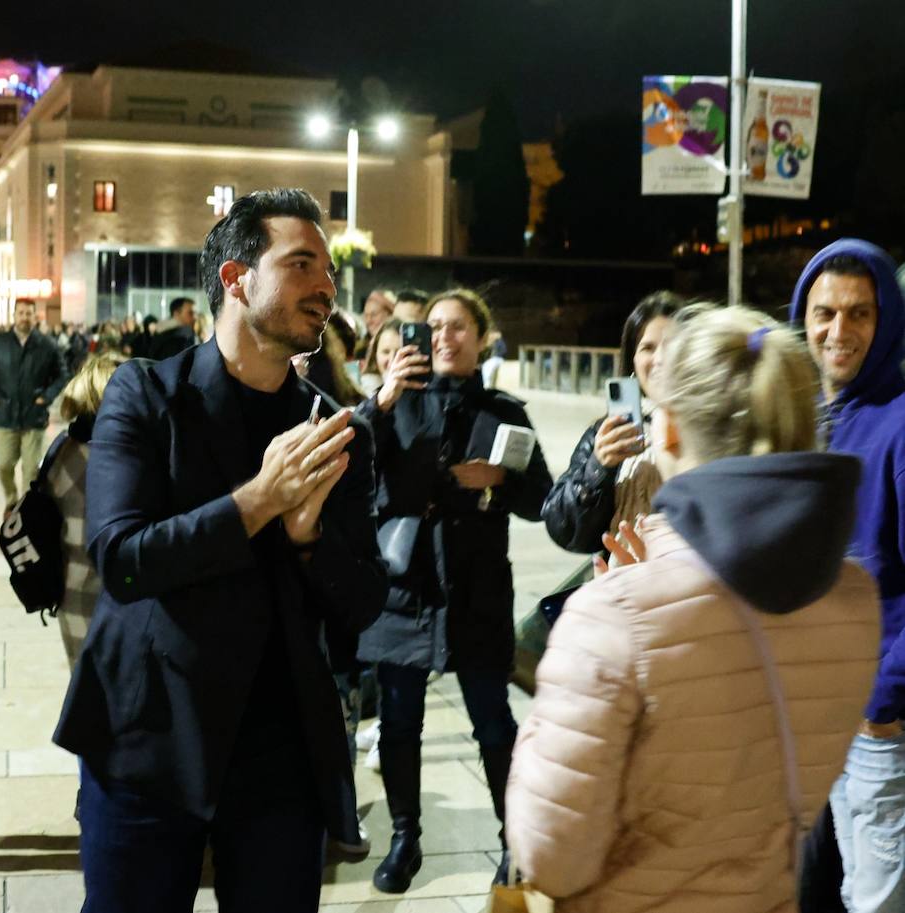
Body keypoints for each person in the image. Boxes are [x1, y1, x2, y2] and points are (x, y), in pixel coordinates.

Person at [53, 188, 387, 912]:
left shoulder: (335, 431)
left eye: (328, 268)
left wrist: (307, 540)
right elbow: (122, 557)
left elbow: (364, 602)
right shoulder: (147, 393)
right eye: (301, 263)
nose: (326, 284)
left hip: (280, 756)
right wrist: (259, 500)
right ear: (236, 279)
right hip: (148, 736)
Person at [507, 305, 880, 912]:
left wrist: (612, 620)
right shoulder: (855, 596)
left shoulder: (614, 615)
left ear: (669, 428)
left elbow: (552, 855)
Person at [357, 287, 553, 894]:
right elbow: (352, 473)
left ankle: (511, 839)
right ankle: (405, 836)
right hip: (403, 592)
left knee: (494, 723)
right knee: (398, 723)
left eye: (458, 327)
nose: (444, 337)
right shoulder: (394, 403)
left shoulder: (504, 411)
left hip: (477, 593)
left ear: (483, 337)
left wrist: (501, 480)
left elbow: (542, 500)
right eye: (434, 327)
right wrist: (382, 401)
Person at [788, 240, 905, 913]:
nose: (839, 331)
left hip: (872, 725)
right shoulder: (815, 418)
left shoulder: (897, 423)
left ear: (886, 318)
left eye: (859, 314)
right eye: (825, 311)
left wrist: (882, 702)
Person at [541, 291, 684, 555]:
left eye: (673, 345)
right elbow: (564, 529)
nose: (661, 358)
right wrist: (598, 468)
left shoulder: (713, 429)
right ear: (633, 360)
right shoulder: (605, 433)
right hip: (622, 583)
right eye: (648, 348)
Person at [43, 351, 126, 667]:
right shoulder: (114, 455)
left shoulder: (62, 448)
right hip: (107, 595)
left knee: (87, 693)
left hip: (72, 592)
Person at [0, 298, 68, 508]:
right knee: (2, 464)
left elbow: (62, 375)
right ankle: (11, 500)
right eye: (20, 313)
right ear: (14, 315)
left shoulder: (47, 345)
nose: (24, 317)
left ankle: (25, 510)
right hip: (5, 415)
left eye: (28, 313)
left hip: (34, 415)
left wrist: (46, 397)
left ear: (34, 316)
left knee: (31, 471)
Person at [359, 317, 403, 399]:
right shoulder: (363, 394)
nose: (392, 359)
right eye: (386, 352)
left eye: (399, 352)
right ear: (375, 354)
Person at [147, 296, 200, 361]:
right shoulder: (174, 340)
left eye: (195, 313)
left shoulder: (186, 335)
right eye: (190, 313)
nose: (195, 318)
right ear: (176, 314)